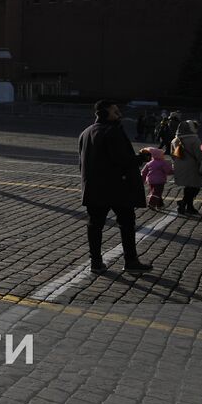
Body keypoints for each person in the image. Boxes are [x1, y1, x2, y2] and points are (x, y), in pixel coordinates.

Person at [77, 100, 150, 274]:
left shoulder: (86, 132)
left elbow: (82, 162)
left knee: (95, 226)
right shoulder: (112, 132)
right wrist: (142, 157)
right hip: (117, 188)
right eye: (115, 112)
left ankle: (96, 262)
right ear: (104, 113)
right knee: (126, 223)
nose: (119, 115)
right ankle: (131, 261)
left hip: (94, 188)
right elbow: (122, 160)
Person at [170, 120, 202, 215]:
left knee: (188, 187)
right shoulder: (194, 140)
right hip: (192, 167)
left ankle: (188, 205)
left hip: (179, 166)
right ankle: (185, 204)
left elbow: (172, 155)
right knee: (194, 187)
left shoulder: (175, 140)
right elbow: (200, 155)